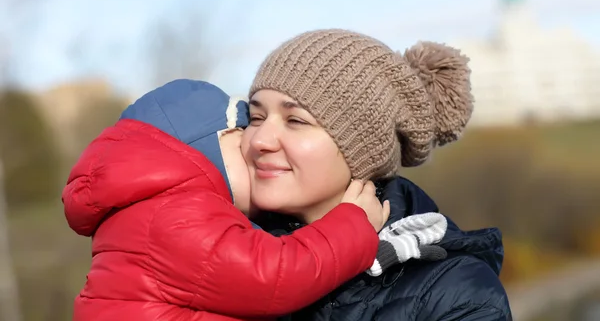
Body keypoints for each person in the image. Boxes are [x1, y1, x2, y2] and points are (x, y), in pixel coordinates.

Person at [61, 79, 444, 320]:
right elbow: (275, 274)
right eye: (246, 129)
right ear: (203, 145)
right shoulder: (176, 214)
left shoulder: (157, 207)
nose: (256, 145)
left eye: (295, 121)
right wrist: (353, 223)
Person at [243, 29, 513, 320]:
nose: (260, 140)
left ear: (364, 148)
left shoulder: (456, 294)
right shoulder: (228, 256)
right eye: (256, 118)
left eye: (295, 120)